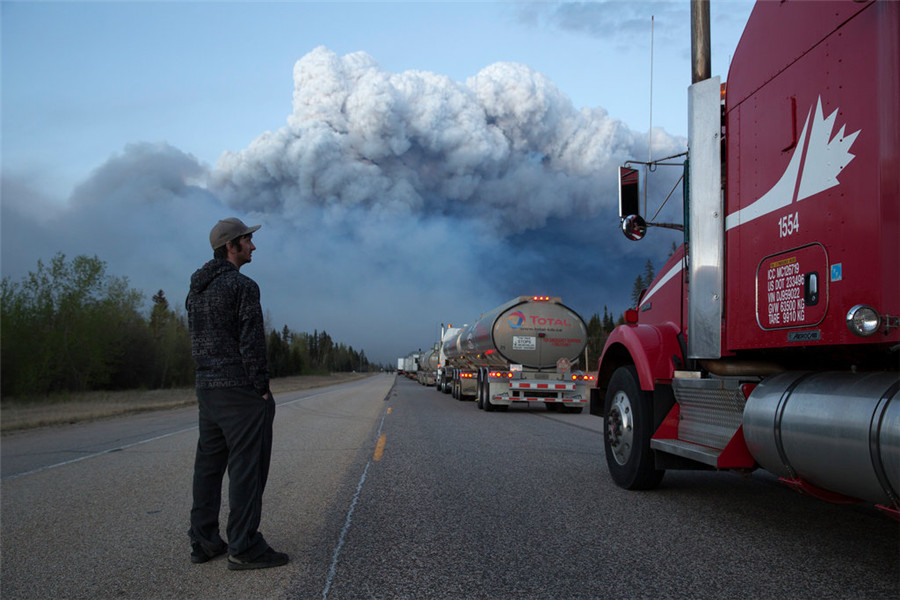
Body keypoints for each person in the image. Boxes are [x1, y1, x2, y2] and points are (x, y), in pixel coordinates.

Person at [185, 217, 289, 571]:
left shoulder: (196, 290)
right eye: (247, 240)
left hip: (207, 389)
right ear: (231, 246)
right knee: (247, 469)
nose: (253, 245)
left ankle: (204, 540)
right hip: (239, 391)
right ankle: (244, 546)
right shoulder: (242, 286)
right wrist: (261, 389)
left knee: (208, 467)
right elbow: (251, 343)